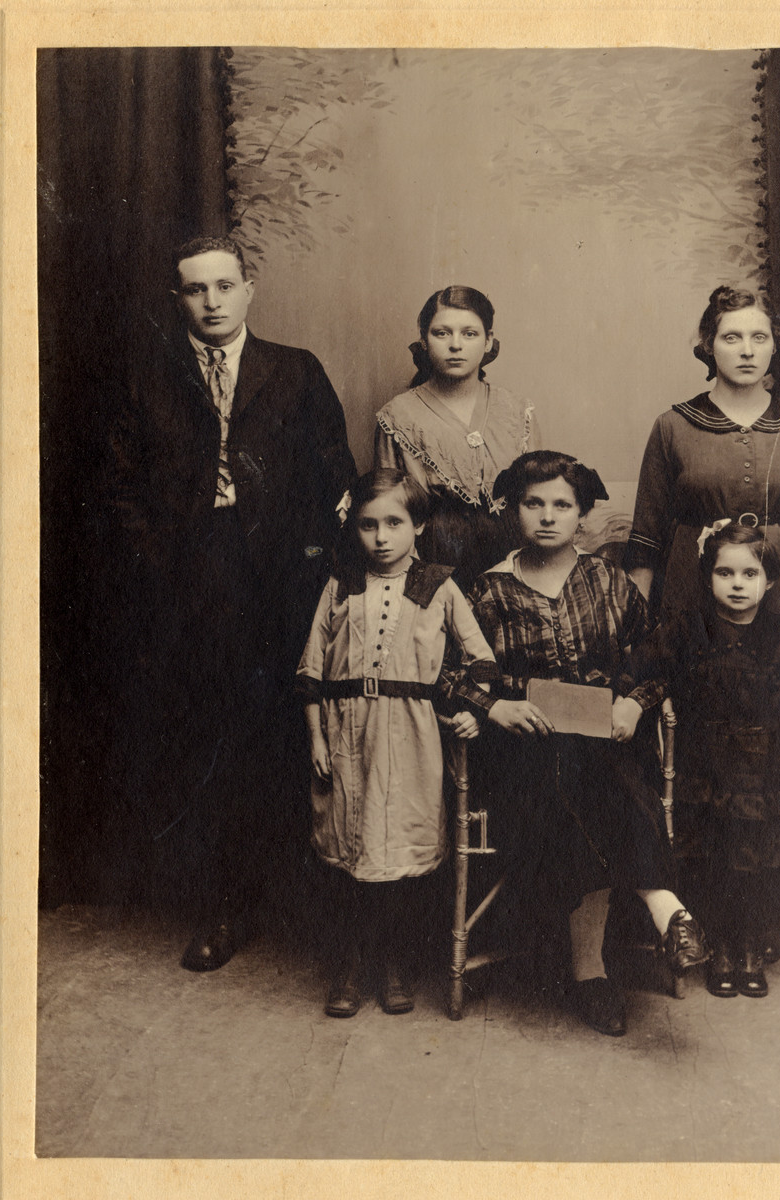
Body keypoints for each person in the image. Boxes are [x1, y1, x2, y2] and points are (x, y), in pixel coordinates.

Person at [108, 235, 356, 971]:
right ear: (177, 299)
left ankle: (302, 905)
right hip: (194, 581)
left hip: (283, 581)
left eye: (224, 286)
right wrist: (166, 562)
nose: (211, 302)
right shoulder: (147, 378)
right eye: (195, 290)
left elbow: (333, 474)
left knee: (291, 732)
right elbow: (119, 490)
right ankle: (226, 905)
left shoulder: (295, 371)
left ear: (249, 289)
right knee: (212, 739)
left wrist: (311, 564)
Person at [468, 451, 709, 1038]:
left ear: (581, 514)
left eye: (562, 505)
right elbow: (451, 669)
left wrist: (634, 700)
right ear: (512, 509)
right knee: (578, 767)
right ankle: (664, 910)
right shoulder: (489, 591)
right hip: (525, 756)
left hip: (608, 748)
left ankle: (591, 971)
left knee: (595, 767)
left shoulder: (606, 581)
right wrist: (494, 705)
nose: (547, 517)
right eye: (533, 504)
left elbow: (654, 653)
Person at [296, 469, 497, 1018]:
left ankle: (395, 964)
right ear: (353, 528)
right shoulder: (340, 583)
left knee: (401, 854)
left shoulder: (439, 585)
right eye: (368, 525)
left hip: (412, 737)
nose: (381, 537)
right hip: (345, 736)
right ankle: (350, 965)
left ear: (419, 525)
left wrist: (471, 713)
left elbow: (482, 661)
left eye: (394, 522)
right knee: (350, 849)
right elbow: (312, 668)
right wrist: (316, 736)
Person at [625, 284, 780, 676]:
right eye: (732, 337)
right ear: (709, 345)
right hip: (694, 600)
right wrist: (636, 632)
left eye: (759, 337)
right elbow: (646, 539)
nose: (747, 350)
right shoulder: (672, 427)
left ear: (775, 346)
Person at [642, 523, 780, 998]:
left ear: (769, 581)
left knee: (754, 858)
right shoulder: (690, 628)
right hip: (705, 767)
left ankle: (749, 946)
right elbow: (653, 668)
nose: (737, 583)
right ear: (707, 576)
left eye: (749, 573)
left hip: (760, 770)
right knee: (712, 857)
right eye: (725, 572)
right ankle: (718, 948)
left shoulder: (778, 634)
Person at [375, 286, 540, 588]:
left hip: (516, 565)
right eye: (441, 333)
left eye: (469, 334)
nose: (455, 345)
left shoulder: (517, 411)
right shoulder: (398, 417)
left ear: (489, 340)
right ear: (424, 340)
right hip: (436, 566)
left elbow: (541, 498)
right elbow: (391, 512)